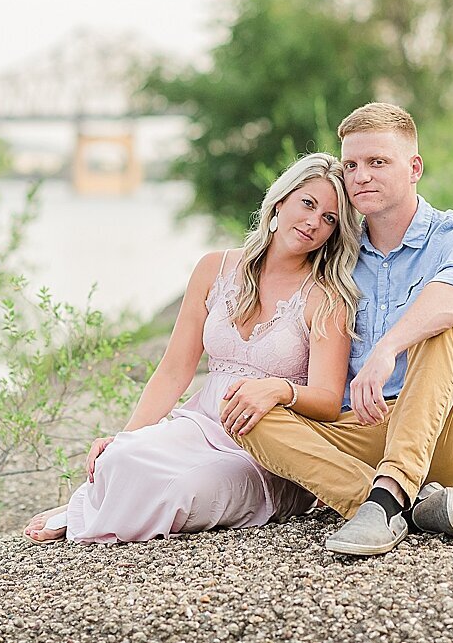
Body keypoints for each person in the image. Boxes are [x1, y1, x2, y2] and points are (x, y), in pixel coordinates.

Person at [23, 152, 362, 544]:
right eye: (307, 203)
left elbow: (327, 400)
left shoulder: (326, 298)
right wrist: (127, 435)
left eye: (329, 219)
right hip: (199, 425)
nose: (313, 222)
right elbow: (174, 370)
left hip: (266, 449)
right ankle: (90, 505)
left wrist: (280, 389)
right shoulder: (213, 268)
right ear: (280, 201)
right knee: (118, 457)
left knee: (181, 490)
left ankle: (85, 513)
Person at [232, 102, 453, 556]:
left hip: (452, 435)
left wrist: (388, 348)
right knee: (246, 413)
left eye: (377, 162)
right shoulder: (336, 253)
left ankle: (389, 496)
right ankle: (394, 504)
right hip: (366, 430)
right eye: (352, 165)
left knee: (442, 325)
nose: (361, 177)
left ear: (414, 168)